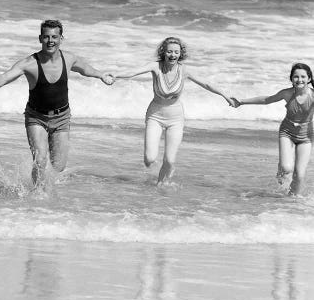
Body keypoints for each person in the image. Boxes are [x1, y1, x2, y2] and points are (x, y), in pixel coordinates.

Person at [0, 20, 113, 188]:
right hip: (36, 117)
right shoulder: (29, 63)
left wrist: (101, 75)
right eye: (46, 37)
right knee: (41, 160)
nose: (50, 41)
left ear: (61, 39)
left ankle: (44, 185)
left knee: (59, 165)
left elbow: (85, 69)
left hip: (62, 118)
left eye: (54, 37)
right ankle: (38, 193)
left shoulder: (69, 59)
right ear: (40, 38)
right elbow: (4, 78)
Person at [113, 36, 234, 184]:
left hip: (175, 118)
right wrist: (115, 75)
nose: (173, 55)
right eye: (169, 51)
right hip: (155, 116)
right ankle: (158, 169)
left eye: (176, 52)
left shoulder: (184, 70)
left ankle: (160, 186)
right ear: (164, 52)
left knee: (170, 160)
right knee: (149, 159)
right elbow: (134, 71)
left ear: (180, 53)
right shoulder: (155, 67)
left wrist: (225, 96)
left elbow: (206, 84)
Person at [231, 63, 314, 196]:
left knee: (300, 175)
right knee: (286, 168)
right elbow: (266, 100)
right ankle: (281, 169)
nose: (300, 80)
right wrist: (241, 101)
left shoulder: (312, 95)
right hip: (287, 133)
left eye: (303, 77)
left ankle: (292, 199)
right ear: (291, 79)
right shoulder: (287, 93)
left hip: (306, 137)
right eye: (296, 76)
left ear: (309, 79)